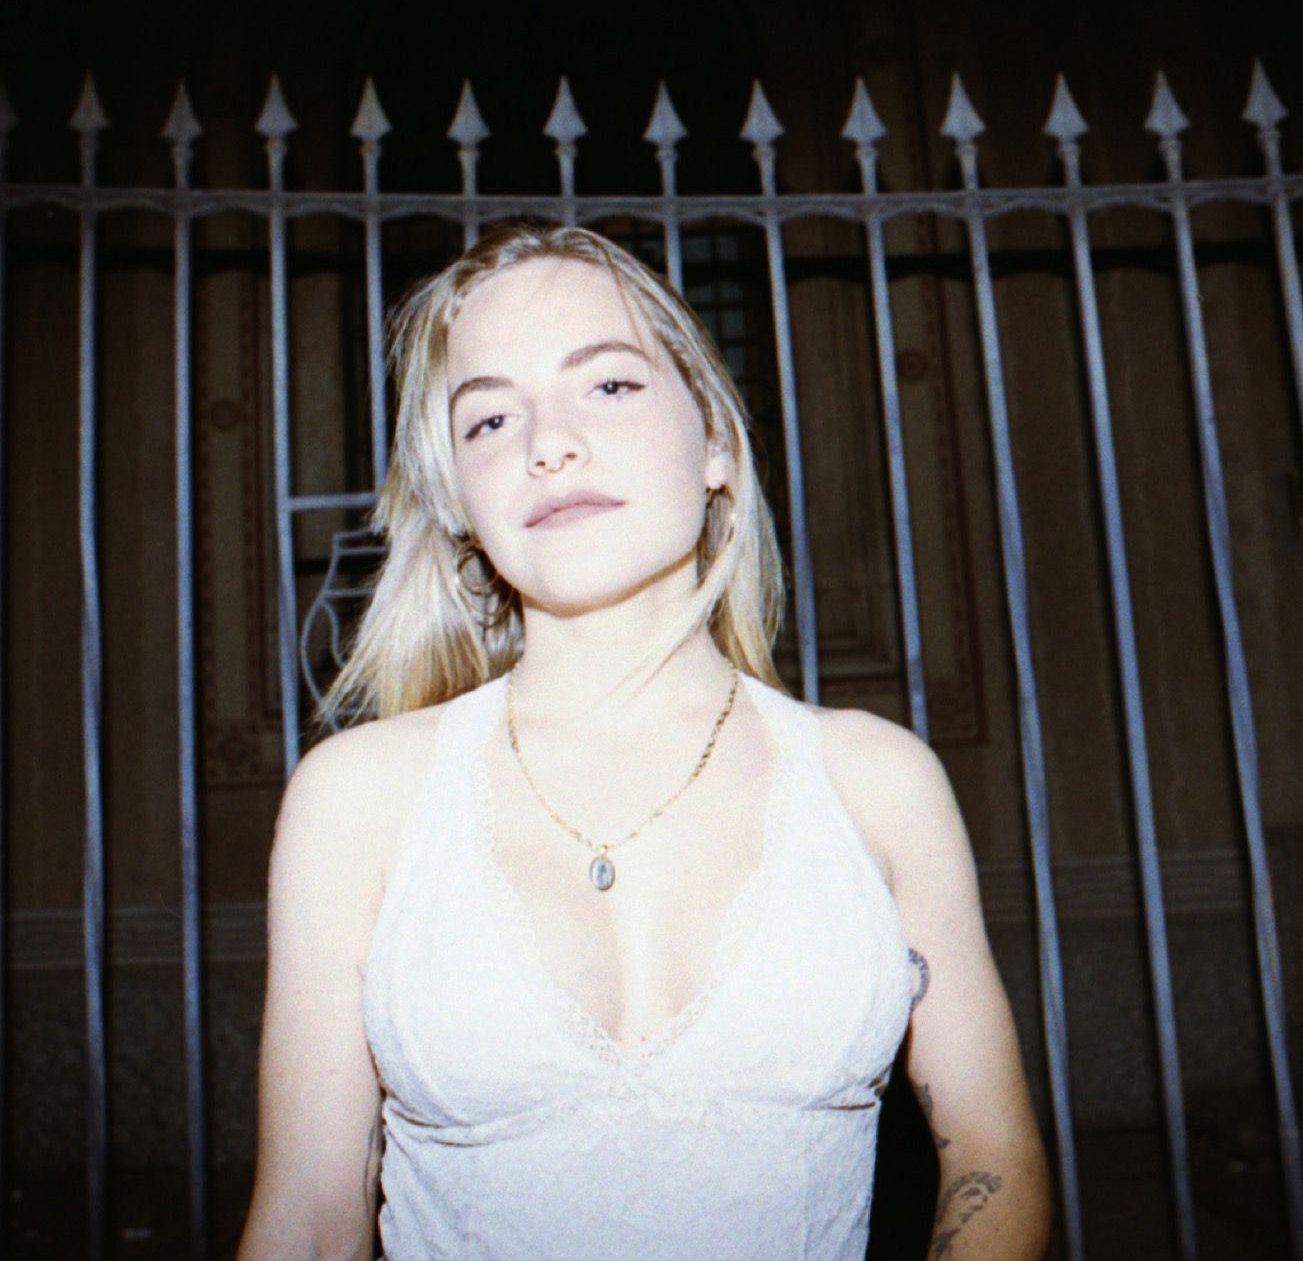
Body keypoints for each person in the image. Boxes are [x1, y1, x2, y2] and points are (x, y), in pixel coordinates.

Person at [237, 222, 1049, 1260]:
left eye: (609, 385)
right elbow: (308, 1218)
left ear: (715, 443)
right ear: (460, 501)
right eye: (490, 418)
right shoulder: (359, 797)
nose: (547, 442)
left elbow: (993, 1158)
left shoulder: (875, 781)